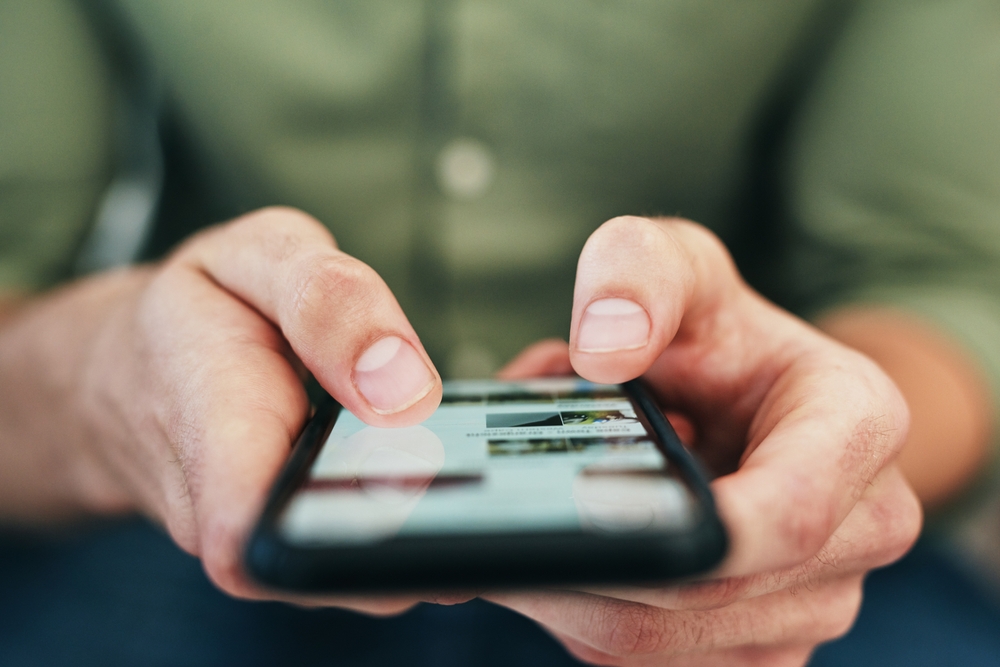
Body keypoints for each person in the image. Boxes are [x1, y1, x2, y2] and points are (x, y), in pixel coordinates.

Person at [1, 0, 998, 664]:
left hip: (723, 489)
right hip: (198, 500)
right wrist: (104, 379)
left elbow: (937, 275)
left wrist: (828, 439)